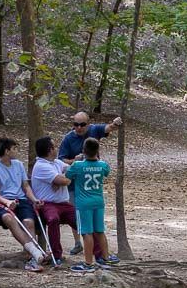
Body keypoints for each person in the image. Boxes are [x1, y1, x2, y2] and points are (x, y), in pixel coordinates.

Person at [58, 111, 122, 255]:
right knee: (77, 217)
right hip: (76, 188)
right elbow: (61, 160)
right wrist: (74, 160)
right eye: (76, 125)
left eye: (82, 125)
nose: (79, 128)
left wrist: (115, 123)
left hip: (90, 192)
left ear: (89, 124)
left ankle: (94, 257)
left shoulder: (94, 130)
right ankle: (78, 244)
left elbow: (109, 128)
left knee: (92, 228)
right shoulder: (68, 139)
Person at [0, 137, 47, 272]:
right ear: (7, 151)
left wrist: (34, 199)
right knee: (9, 219)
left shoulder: (18, 164)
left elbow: (25, 186)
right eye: (14, 148)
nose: (16, 151)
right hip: (3, 202)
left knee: (29, 222)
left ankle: (32, 259)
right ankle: (35, 252)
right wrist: (7, 202)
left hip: (21, 200)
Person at [64, 137, 117, 273]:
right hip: (98, 202)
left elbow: (67, 175)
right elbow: (106, 172)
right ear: (97, 151)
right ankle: (106, 259)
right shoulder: (103, 165)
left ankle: (88, 263)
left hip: (83, 203)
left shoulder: (78, 166)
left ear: (83, 151)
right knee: (99, 231)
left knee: (86, 232)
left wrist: (76, 160)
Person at [31, 136, 76, 266]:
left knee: (81, 220)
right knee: (53, 219)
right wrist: (63, 180)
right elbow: (64, 180)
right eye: (55, 146)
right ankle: (57, 255)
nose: (57, 149)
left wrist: (63, 178)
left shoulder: (56, 162)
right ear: (50, 150)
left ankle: (98, 252)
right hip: (48, 204)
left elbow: (71, 170)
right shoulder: (40, 166)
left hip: (64, 203)